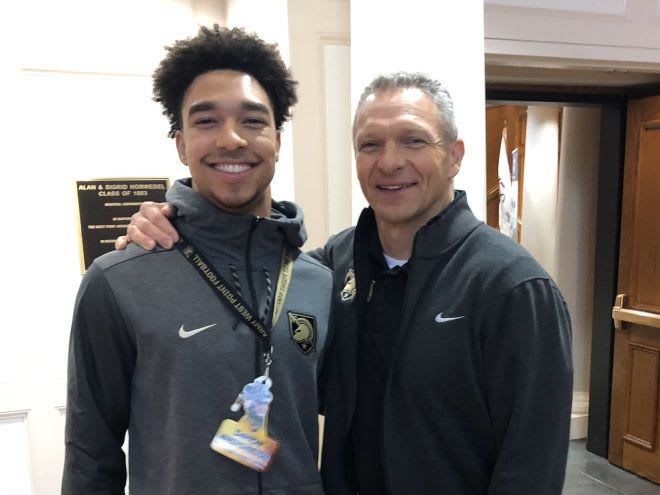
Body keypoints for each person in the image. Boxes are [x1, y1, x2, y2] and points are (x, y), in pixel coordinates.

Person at [117, 72, 574, 494]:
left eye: (413, 141)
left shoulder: (513, 286)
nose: (390, 162)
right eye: (370, 145)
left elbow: (532, 464)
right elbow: (252, 266)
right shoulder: (333, 264)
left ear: (454, 156)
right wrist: (173, 222)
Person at [63, 25, 332, 495]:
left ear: (277, 139)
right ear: (182, 144)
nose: (231, 140)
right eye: (206, 121)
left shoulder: (319, 282)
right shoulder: (118, 280)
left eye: (253, 121)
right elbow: (91, 452)